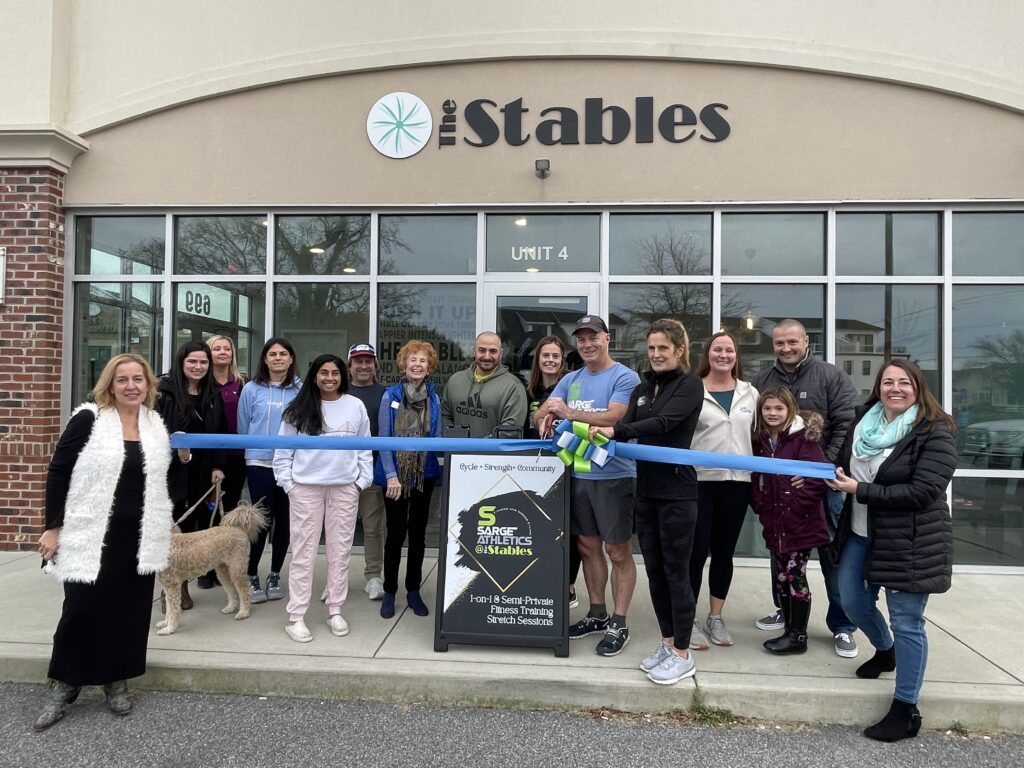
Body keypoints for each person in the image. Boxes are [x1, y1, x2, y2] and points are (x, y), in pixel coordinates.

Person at [34, 354, 173, 731]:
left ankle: (116, 680)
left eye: (138, 379)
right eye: (122, 379)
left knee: (128, 610)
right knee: (81, 608)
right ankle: (65, 683)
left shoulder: (154, 424)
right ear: (110, 385)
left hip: (138, 535)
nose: (131, 386)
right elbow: (59, 471)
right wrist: (53, 527)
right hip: (89, 532)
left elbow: (158, 480)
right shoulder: (89, 419)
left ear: (149, 385)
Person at [828, 360, 957, 742]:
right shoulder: (862, 422)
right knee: (852, 603)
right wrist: (821, 476)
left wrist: (859, 491)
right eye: (888, 382)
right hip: (860, 532)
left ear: (918, 388)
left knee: (907, 621)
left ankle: (906, 709)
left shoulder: (935, 431)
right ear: (878, 387)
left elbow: (923, 491)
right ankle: (885, 650)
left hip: (910, 541)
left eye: (904, 382)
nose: (895, 388)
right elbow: (843, 467)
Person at [589, 319, 703, 684]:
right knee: (655, 572)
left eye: (663, 349)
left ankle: (683, 653)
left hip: (678, 493)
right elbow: (627, 419)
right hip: (647, 490)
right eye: (651, 348)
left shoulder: (690, 384)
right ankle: (668, 643)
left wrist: (616, 430)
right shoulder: (642, 387)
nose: (655, 355)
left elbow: (665, 424)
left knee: (676, 574)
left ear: (679, 351)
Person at [753, 319, 860, 659]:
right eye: (780, 343)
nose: (786, 348)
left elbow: (845, 424)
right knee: (782, 553)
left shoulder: (830, 376)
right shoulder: (763, 381)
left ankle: (842, 624)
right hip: (778, 492)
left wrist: (816, 470)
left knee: (832, 555)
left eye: (792, 342)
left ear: (806, 341)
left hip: (823, 485)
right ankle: (787, 616)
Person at [534, 315, 640, 657]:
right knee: (587, 547)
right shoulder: (572, 378)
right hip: (579, 474)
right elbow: (542, 411)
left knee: (618, 551)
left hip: (615, 477)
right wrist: (546, 417)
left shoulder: (625, 376)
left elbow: (615, 416)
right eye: (581, 339)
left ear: (607, 339)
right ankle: (597, 613)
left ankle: (619, 620)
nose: (587, 344)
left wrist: (569, 413)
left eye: (593, 337)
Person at [274, 354, 372, 643]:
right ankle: (296, 616)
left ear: (343, 375)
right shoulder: (298, 409)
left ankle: (335, 609)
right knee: (303, 553)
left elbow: (365, 447)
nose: (330, 378)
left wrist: (361, 482)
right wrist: (289, 485)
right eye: (324, 373)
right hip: (306, 488)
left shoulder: (355, 406)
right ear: (314, 375)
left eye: (335, 373)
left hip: (344, 488)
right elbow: (282, 453)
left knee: (340, 552)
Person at [687, 331, 758, 650]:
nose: (724, 355)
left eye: (729, 350)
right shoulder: (692, 389)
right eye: (718, 349)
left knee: (724, 553)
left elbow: (766, 431)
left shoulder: (750, 392)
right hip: (700, 482)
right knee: (696, 552)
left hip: (737, 483)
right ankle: (687, 619)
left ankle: (715, 616)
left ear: (736, 356)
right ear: (708, 353)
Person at [750, 387, 830, 655]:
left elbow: (817, 480)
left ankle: (798, 636)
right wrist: (761, 505)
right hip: (774, 523)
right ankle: (788, 629)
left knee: (795, 575)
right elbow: (756, 477)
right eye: (767, 408)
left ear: (790, 410)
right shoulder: (760, 440)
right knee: (781, 576)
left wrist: (795, 507)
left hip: (800, 524)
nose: (773, 413)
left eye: (779, 408)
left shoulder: (803, 439)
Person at [155, 340, 226, 601]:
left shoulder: (212, 393)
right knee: (172, 529)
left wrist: (218, 466)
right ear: (181, 362)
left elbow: (221, 433)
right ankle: (169, 591)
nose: (198, 367)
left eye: (203, 362)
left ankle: (184, 583)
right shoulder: (163, 391)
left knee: (195, 529)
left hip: (203, 469)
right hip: (169, 470)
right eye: (192, 361)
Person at [376, 340, 442, 619]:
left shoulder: (434, 397)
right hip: (395, 477)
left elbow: (437, 438)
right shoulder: (389, 395)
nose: (417, 364)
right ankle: (389, 591)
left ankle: (413, 591)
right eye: (412, 359)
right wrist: (391, 475)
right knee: (394, 535)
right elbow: (383, 437)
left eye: (422, 361)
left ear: (429, 368)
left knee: (418, 535)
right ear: (403, 364)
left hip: (423, 474)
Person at [237, 338, 302, 604]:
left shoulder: (301, 389)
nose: (278, 358)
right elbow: (243, 426)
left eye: (283, 354)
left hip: (290, 465)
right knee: (261, 522)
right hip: (259, 463)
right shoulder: (251, 389)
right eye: (272, 354)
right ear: (265, 359)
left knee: (285, 522)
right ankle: (251, 575)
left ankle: (274, 574)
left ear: (290, 359)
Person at [442, 331, 528, 437]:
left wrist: (477, 449)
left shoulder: (513, 387)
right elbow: (444, 417)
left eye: (493, 351)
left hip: (491, 453)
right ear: (474, 351)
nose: (487, 356)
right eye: (482, 350)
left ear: (500, 353)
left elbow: (509, 430)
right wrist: (457, 444)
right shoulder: (455, 380)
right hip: (456, 452)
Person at [207, 334, 246, 513]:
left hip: (236, 453)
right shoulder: (203, 384)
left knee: (230, 504)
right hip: (209, 454)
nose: (223, 352)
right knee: (207, 507)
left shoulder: (242, 384)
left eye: (227, 349)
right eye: (217, 348)